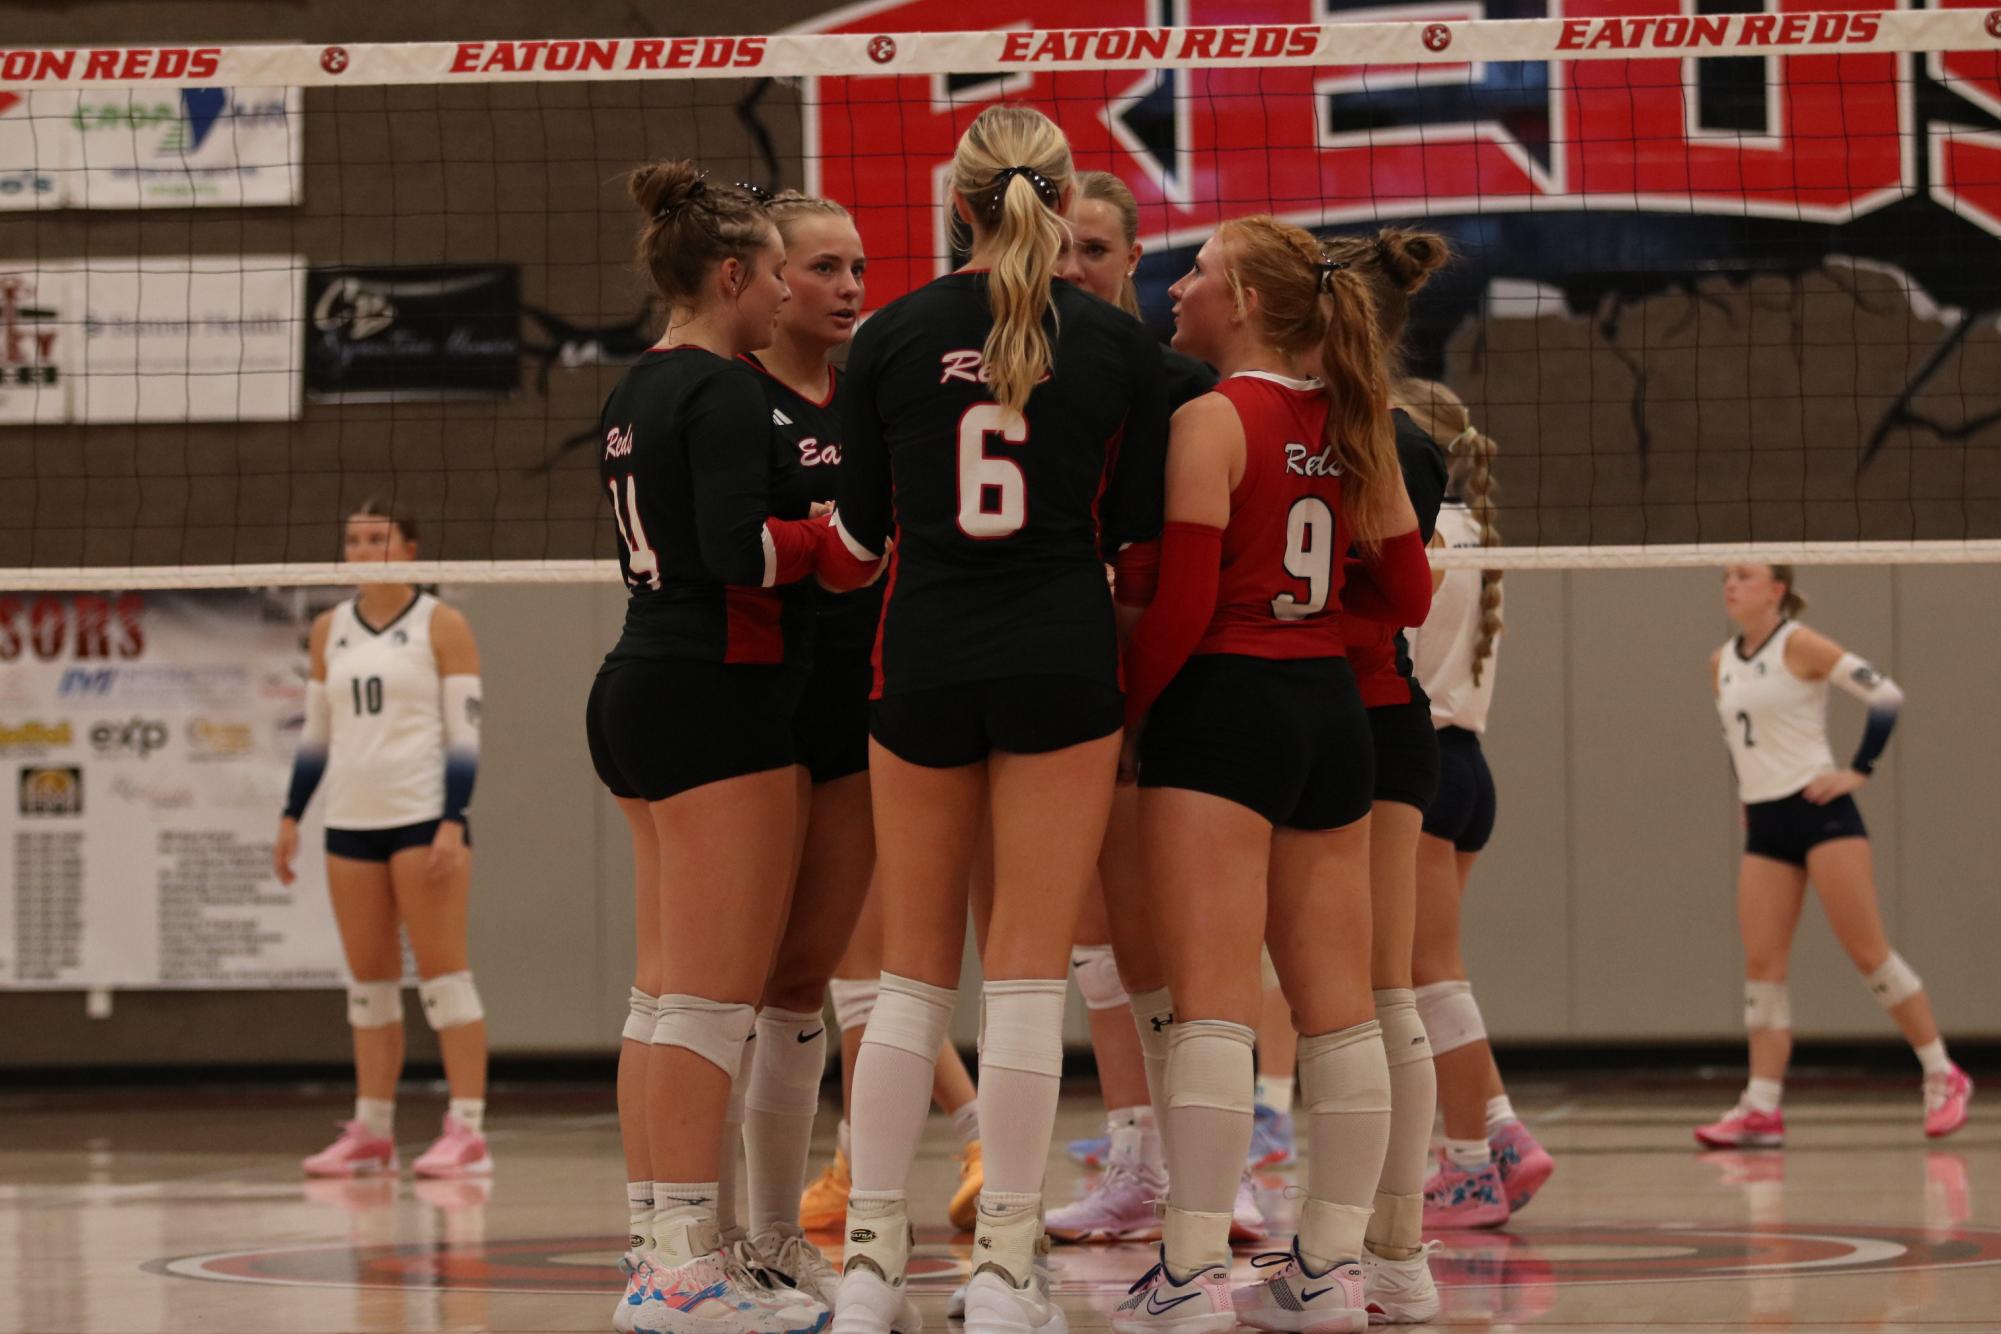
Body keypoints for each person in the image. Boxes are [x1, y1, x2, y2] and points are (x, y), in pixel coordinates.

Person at [816, 106, 1170, 1334]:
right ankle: (1006, 1268)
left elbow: (860, 549)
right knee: (1028, 976)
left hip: (921, 658)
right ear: (1064, 202)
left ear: (953, 204)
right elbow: (1138, 554)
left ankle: (867, 1266)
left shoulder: (889, 338)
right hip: (1064, 659)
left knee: (910, 974)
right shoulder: (1118, 347)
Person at [1108, 216, 1433, 1334]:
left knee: (1211, 1006)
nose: (1178, 287)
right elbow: (1412, 596)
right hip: (1333, 715)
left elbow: (1186, 603)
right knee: (1341, 1012)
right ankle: (1329, 1271)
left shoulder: (1210, 417)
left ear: (1241, 295)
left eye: (1196, 271)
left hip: (1226, 709)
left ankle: (1194, 1273)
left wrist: (1129, 711)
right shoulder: (1357, 417)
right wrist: (1322, 614)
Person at [584, 161, 835, 1334]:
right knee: (708, 1000)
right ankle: (685, 1273)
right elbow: (746, 553)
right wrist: (835, 542)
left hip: (639, 684)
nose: (790, 289)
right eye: (779, 270)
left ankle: (661, 1250)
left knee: (660, 995)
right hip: (714, 692)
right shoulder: (732, 394)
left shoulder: (637, 385)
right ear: (732, 275)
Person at [1042, 169, 1262, 1247]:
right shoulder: (1012, 371)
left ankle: (1225, 1160)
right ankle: (1139, 1152)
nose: (1074, 266)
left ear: (1134, 260)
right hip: (1042, 675)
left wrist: (1140, 701)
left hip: (1160, 685)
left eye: (1095, 249)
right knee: (1086, 935)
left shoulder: (1178, 386)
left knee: (1169, 938)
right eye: (1061, 248)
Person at [1696, 564, 1972, 1146]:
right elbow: (1740, 745)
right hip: (1765, 822)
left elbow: (1886, 696)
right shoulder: (1720, 662)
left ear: (1777, 589)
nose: (1731, 585)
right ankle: (1761, 1106)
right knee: (1762, 970)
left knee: (1869, 953)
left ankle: (1942, 1072)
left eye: (1744, 576)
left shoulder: (1800, 643)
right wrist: (1749, 796)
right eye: (1726, 576)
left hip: (1823, 814)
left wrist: (1858, 771)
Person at [276, 500, 490, 1182]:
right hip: (350, 822)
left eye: (378, 539)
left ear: (410, 548)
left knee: (444, 981)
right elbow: (316, 736)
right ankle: (371, 1130)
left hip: (424, 818)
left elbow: (465, 734)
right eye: (354, 540)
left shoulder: (441, 623)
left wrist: (454, 818)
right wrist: (290, 814)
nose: (364, 550)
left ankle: (467, 1127)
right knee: (368, 987)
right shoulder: (326, 630)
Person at [1322, 231, 1455, 1322]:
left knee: (1380, 987)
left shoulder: (1392, 440)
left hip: (1368, 717)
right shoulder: (1274, 418)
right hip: (1317, 718)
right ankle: (1345, 1240)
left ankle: (1395, 1243)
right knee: (1342, 994)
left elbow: (1396, 594)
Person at [1397, 382, 1550, 1236]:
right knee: (1434, 973)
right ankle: (1496, 1133)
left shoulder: (1416, 533)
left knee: (1427, 976)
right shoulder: (1477, 532)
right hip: (1469, 766)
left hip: (1423, 762)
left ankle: (1463, 1166)